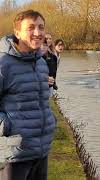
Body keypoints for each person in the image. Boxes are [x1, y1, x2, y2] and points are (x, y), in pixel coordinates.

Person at [0, 10, 56, 180]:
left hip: (41, 150)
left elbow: (39, 101)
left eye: (41, 27)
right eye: (31, 28)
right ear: (17, 33)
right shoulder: (3, 64)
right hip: (14, 155)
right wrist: (6, 126)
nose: (38, 33)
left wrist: (50, 120)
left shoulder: (40, 62)